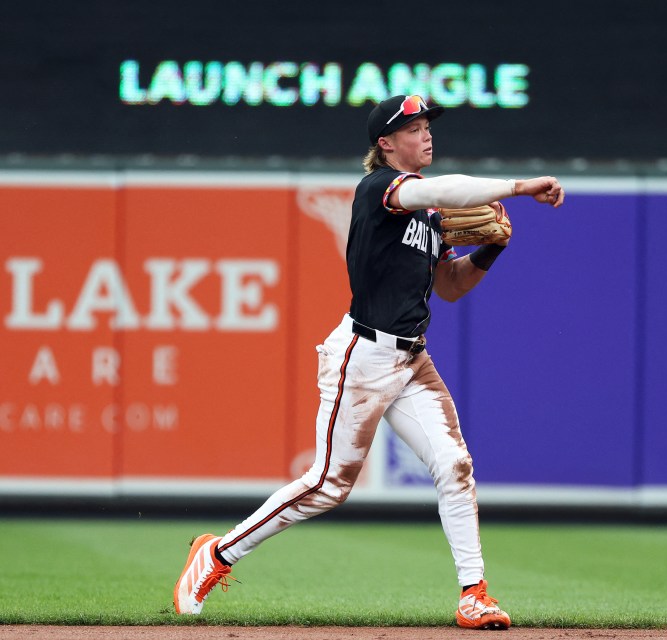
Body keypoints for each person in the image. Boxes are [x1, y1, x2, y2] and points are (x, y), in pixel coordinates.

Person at [173, 94, 565, 630]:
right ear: (386, 143)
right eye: (414, 128)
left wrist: (490, 251)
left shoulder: (426, 212)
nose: (426, 134)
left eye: (428, 126)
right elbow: (444, 188)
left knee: (455, 466)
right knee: (328, 484)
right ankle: (215, 555)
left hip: (412, 360)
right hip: (362, 355)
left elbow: (450, 287)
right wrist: (520, 187)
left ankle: (474, 594)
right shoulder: (381, 189)